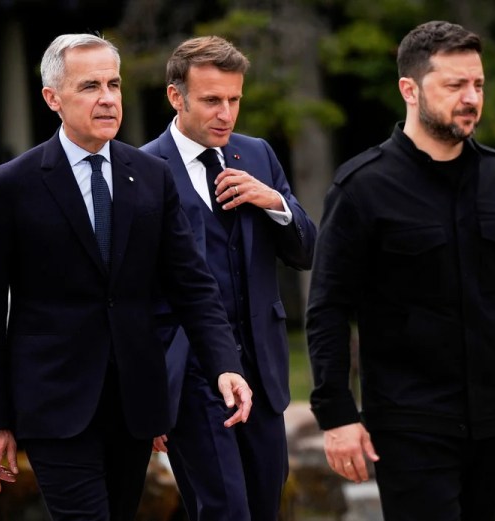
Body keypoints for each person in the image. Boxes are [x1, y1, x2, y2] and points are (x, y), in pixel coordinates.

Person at [305, 20, 495, 521]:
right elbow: (328, 308)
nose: (471, 97)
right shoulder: (363, 188)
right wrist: (336, 415)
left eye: (478, 84)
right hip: (407, 422)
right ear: (410, 89)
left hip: (491, 421)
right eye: (455, 85)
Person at [0, 33, 253, 521]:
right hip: (53, 406)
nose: (107, 98)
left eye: (114, 84)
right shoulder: (12, 184)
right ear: (53, 99)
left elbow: (192, 286)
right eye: (90, 86)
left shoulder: (151, 175)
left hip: (134, 404)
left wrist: (225, 364)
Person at [141, 35, 316, 521]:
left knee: (263, 507)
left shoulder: (258, 155)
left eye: (234, 99)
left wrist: (275, 202)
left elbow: (305, 252)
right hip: (190, 374)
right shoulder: (141, 169)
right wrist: (152, 393)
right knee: (223, 510)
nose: (226, 113)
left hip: (262, 370)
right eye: (212, 100)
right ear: (176, 97)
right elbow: (131, 296)